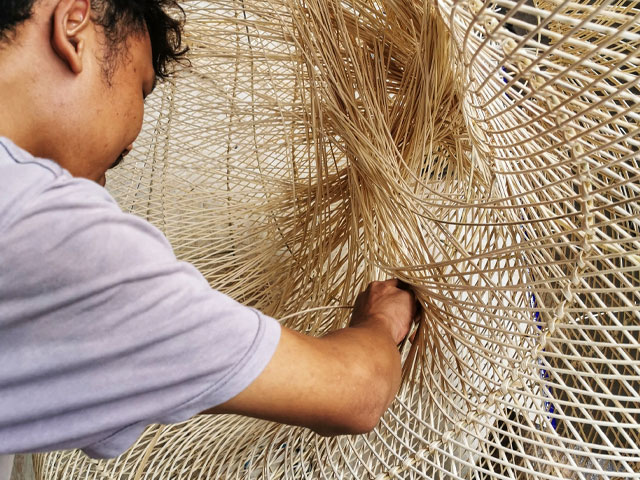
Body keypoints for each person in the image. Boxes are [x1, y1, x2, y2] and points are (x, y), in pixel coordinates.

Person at [0, 0, 417, 460]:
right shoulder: (64, 236)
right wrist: (381, 320)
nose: (131, 140)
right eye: (141, 85)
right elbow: (354, 393)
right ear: (74, 26)